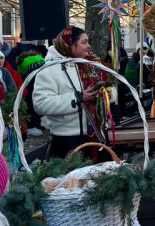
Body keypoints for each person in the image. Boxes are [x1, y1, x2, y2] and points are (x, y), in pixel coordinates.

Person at [33, 27, 115, 158]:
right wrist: (78, 99)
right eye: (84, 42)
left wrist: (106, 95)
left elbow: (111, 88)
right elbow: (40, 104)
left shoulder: (91, 64)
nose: (88, 46)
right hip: (68, 141)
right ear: (69, 44)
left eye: (88, 42)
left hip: (98, 135)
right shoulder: (49, 70)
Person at [16, 50, 46, 136]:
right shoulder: (37, 64)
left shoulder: (26, 67)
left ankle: (36, 124)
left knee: (34, 106)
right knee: (31, 107)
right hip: (31, 88)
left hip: (32, 87)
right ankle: (32, 125)